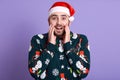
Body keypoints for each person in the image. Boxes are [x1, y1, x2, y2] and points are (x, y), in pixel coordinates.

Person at [28, 1, 90, 80]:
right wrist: (50, 46)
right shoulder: (37, 40)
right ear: (49, 21)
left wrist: (67, 45)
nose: (59, 22)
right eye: (54, 18)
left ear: (69, 22)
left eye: (63, 18)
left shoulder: (81, 39)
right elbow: (34, 72)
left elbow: (83, 73)